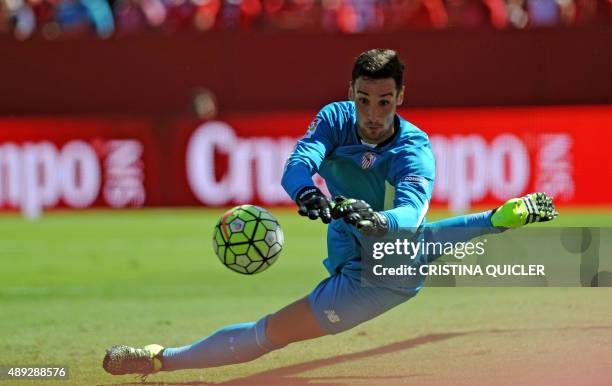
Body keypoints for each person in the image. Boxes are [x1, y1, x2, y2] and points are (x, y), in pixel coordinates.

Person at [102, 48, 558, 377]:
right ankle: (499, 218)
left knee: (272, 332)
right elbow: (298, 165)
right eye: (363, 99)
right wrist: (307, 193)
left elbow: (411, 214)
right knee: (426, 245)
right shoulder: (335, 117)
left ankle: (159, 358)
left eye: (384, 101)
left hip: (378, 278)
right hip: (347, 233)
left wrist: (377, 220)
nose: (372, 114)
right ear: (351, 92)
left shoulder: (413, 149)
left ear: (400, 97)